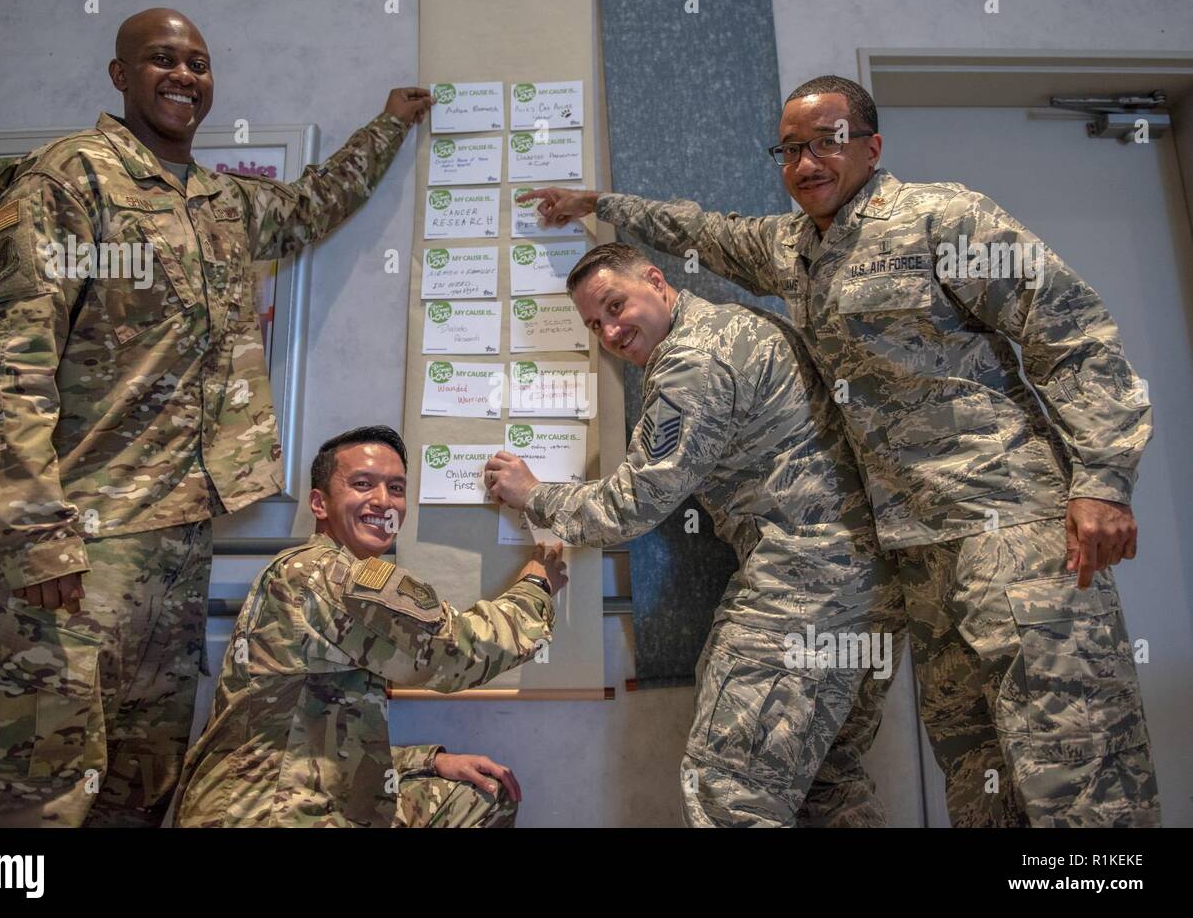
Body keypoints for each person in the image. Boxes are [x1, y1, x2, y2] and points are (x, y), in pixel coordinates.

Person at [519, 74, 1158, 826]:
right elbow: (699, 229)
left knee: (1077, 764)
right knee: (981, 768)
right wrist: (600, 206)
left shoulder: (943, 219)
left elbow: (1072, 333)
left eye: (828, 141)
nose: (807, 162)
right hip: (913, 554)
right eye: (790, 148)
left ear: (871, 146)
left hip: (1012, 523)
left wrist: (1103, 480)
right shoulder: (790, 248)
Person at [0, 8, 432, 827]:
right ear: (120, 75)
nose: (183, 76)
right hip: (73, 551)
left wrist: (387, 125)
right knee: (29, 795)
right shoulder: (68, 181)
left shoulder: (219, 204)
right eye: (162, 59)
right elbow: (2, 371)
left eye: (199, 64)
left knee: (142, 783)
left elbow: (316, 205)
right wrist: (35, 535)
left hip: (175, 547)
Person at [484, 243, 903, 827]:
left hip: (803, 591)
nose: (608, 330)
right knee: (827, 786)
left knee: (728, 793)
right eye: (594, 323)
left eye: (614, 305)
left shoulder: (693, 360)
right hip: (867, 596)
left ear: (655, 281)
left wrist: (534, 494)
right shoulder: (742, 323)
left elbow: (631, 504)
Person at [175, 426, 560, 827]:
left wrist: (426, 761)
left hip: (291, 793)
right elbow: (458, 653)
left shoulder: (316, 571)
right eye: (363, 484)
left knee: (477, 797)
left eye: (396, 488)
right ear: (319, 503)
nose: (383, 501)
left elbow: (317, 743)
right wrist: (537, 585)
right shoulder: (328, 576)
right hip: (269, 816)